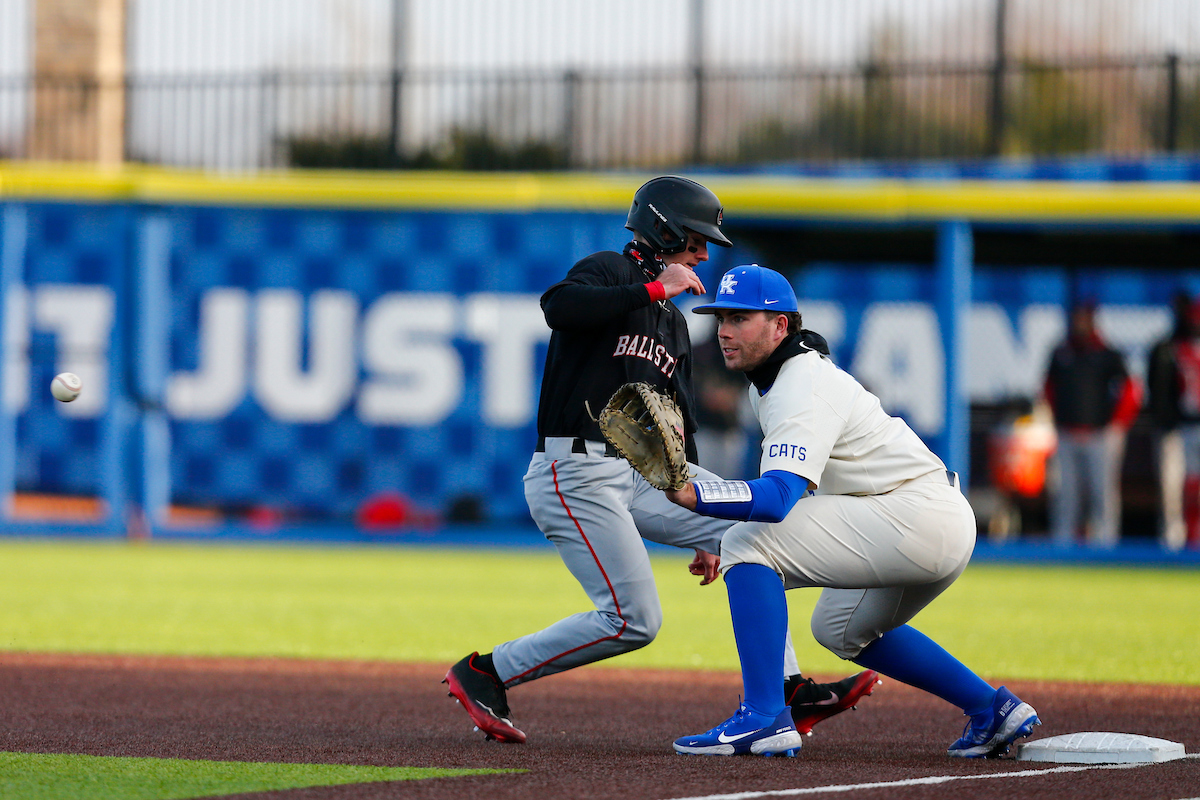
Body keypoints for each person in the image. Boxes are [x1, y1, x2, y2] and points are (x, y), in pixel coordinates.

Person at [443, 179, 878, 745]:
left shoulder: (673, 320)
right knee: (634, 620)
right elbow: (558, 307)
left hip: (645, 475)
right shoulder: (609, 272)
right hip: (575, 470)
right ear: (664, 228)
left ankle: (787, 689)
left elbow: (678, 424)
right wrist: (650, 288)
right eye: (696, 241)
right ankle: (486, 672)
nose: (703, 255)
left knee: (749, 532)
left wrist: (699, 517)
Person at [664, 264, 1040, 759]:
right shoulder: (775, 379)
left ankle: (763, 716)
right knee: (840, 628)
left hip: (914, 515)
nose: (725, 331)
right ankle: (992, 709)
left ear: (781, 326)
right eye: (722, 318)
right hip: (927, 518)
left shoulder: (800, 384)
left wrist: (696, 495)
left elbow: (776, 502)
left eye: (740, 318)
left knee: (744, 543)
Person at [1042, 301, 1141, 548]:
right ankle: (1062, 546)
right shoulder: (1061, 353)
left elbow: (1131, 389)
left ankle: (1105, 547)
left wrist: (1118, 423)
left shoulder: (1107, 353)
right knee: (1066, 496)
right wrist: (1055, 418)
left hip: (1100, 435)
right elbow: (1048, 388)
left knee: (1102, 495)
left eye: (1084, 318)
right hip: (1067, 433)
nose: (1080, 323)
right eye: (1077, 318)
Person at [1146, 293, 1191, 551]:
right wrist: (1164, 420)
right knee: (1171, 490)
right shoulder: (1164, 348)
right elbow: (1155, 389)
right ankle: (1172, 543)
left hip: (1195, 428)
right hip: (1173, 430)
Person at [1164, 297, 1200, 551]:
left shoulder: (1182, 350)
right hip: (1188, 426)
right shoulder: (1179, 350)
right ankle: (1189, 534)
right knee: (1189, 483)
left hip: (1191, 425)